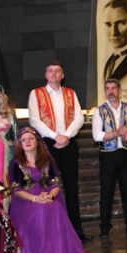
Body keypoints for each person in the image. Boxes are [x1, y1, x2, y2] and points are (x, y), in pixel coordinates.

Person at [9, 126, 97, 253]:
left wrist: (50, 196)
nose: (27, 141)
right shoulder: (15, 163)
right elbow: (16, 190)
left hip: (46, 196)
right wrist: (35, 199)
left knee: (55, 207)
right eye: (23, 140)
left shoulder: (48, 160)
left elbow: (55, 184)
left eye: (31, 138)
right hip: (25, 200)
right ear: (19, 143)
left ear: (37, 141)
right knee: (39, 211)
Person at [28, 63, 89, 239]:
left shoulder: (70, 93)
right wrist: (56, 136)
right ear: (46, 75)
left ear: (62, 75)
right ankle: (50, 231)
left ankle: (76, 230)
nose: (54, 74)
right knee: (46, 185)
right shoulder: (36, 93)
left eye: (57, 71)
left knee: (71, 187)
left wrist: (66, 136)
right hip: (47, 144)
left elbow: (79, 117)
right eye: (50, 71)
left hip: (68, 143)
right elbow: (34, 120)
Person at [92, 77, 127, 235]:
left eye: (113, 88)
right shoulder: (99, 111)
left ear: (119, 91)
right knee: (106, 193)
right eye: (107, 88)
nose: (110, 91)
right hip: (108, 156)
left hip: (126, 155)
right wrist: (116, 133)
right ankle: (105, 228)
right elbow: (96, 135)